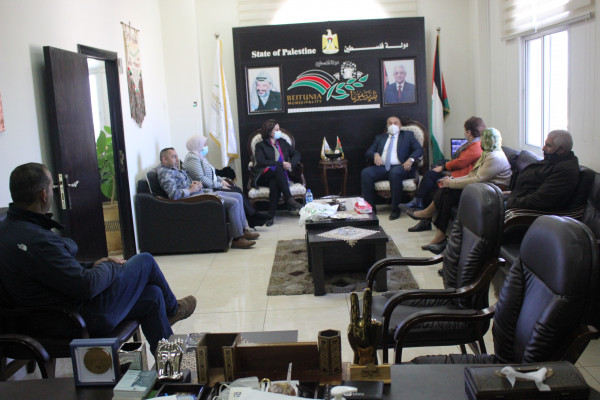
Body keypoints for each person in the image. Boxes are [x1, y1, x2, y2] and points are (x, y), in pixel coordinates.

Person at [0, 163, 196, 356]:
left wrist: (92, 265)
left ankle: (169, 364)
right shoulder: (37, 240)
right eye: (52, 187)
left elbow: (54, 270)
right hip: (73, 318)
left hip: (57, 312)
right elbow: (87, 286)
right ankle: (173, 310)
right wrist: (109, 265)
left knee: (153, 295)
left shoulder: (9, 229)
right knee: (145, 260)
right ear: (44, 195)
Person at [407, 128, 512, 254]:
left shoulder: (495, 157)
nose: (481, 141)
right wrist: (453, 180)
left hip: (490, 192)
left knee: (449, 191)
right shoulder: (488, 154)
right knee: (446, 190)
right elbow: (472, 175)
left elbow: (477, 179)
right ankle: (439, 231)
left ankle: (431, 219)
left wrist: (452, 183)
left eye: (483, 138)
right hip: (481, 187)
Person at [158, 147, 259, 249]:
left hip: (200, 192)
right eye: (173, 157)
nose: (177, 159)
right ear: (164, 160)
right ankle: (237, 239)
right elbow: (173, 195)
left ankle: (242, 231)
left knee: (238, 195)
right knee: (233, 202)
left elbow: (184, 184)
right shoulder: (166, 173)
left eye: (177, 156)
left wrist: (194, 184)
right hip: (195, 199)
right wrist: (191, 190)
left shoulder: (174, 169)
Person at [400, 116, 486, 232]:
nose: (465, 133)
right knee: (429, 175)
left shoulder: (476, 146)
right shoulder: (472, 144)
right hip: (456, 173)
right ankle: (418, 202)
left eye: (465, 130)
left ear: (469, 132)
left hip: (461, 176)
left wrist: (444, 167)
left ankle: (423, 214)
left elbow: (460, 162)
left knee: (433, 189)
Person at [182, 135, 270, 229]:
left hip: (211, 186)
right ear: (197, 145)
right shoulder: (192, 159)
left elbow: (212, 174)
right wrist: (220, 185)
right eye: (204, 144)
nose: (206, 146)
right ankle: (252, 217)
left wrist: (222, 180)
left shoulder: (200, 156)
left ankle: (250, 219)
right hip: (206, 190)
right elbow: (201, 179)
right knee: (236, 192)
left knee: (237, 189)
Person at [361, 115, 424, 220]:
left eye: (395, 123)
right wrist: (375, 154)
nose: (393, 125)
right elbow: (369, 152)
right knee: (366, 173)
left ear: (400, 125)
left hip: (401, 167)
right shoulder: (380, 137)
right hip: (383, 167)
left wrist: (411, 159)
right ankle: (370, 209)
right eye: (390, 123)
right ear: (387, 126)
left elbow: (419, 150)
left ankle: (395, 209)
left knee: (395, 173)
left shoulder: (408, 135)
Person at [506, 130, 579, 211]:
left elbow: (540, 200)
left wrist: (509, 203)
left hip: (525, 211)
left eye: (548, 146)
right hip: (516, 201)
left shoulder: (565, 170)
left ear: (561, 150)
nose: (543, 148)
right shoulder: (553, 160)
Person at [252, 119, 303, 226]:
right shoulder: (260, 145)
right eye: (277, 129)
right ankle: (289, 199)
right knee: (278, 168)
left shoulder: (282, 142)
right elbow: (261, 162)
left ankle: (270, 216)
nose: (279, 131)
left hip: (278, 176)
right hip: (264, 174)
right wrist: (280, 164)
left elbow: (296, 154)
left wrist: (291, 164)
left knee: (274, 183)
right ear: (269, 131)